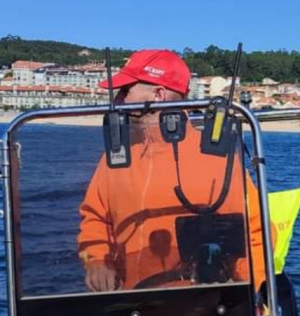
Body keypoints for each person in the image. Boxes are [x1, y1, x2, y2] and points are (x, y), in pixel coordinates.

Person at [77, 49, 271, 292]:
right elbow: (95, 218)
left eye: (126, 91)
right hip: (131, 308)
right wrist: (96, 261)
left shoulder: (215, 160)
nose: (118, 101)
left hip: (203, 308)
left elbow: (258, 233)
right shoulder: (115, 159)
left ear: (158, 94)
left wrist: (241, 292)